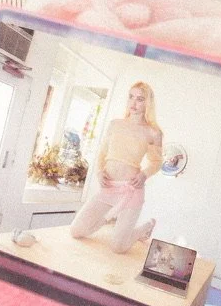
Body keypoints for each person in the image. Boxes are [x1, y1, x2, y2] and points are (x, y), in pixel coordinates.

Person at [70, 81, 163, 254]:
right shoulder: (115, 124)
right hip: (108, 188)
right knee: (76, 231)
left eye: (140, 99)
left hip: (131, 190)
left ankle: (145, 227)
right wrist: (99, 171)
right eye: (131, 97)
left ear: (147, 103)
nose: (133, 103)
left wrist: (144, 174)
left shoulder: (153, 132)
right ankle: (110, 219)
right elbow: (102, 153)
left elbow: (157, 162)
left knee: (118, 247)